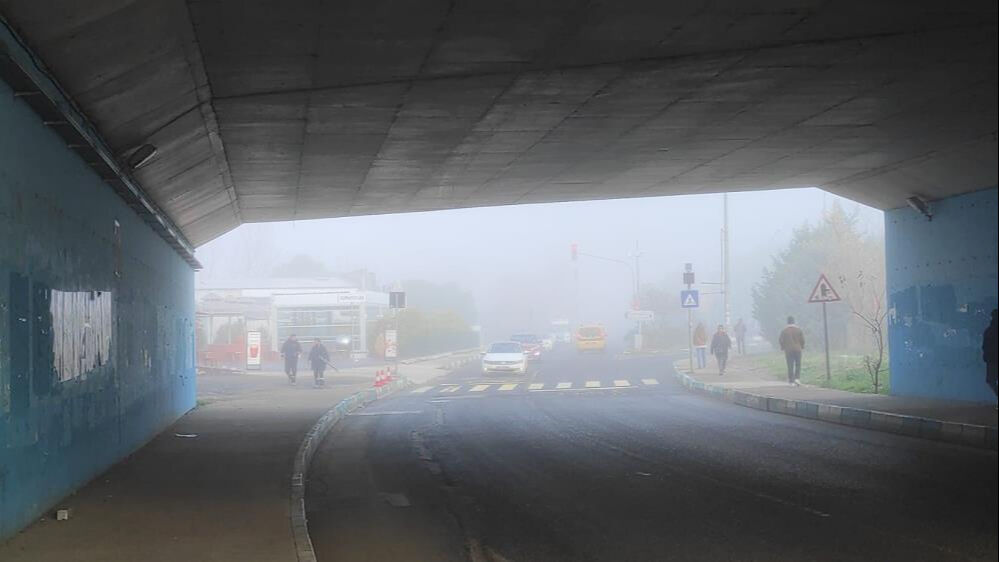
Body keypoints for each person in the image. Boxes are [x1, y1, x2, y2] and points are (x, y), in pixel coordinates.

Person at [778, 316, 805, 386]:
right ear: (794, 322)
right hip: (798, 349)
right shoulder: (799, 330)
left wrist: (782, 347)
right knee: (798, 364)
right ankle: (797, 379)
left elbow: (781, 340)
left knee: (790, 365)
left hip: (788, 350)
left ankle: (791, 381)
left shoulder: (784, 331)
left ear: (787, 322)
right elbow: (802, 340)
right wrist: (802, 346)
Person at [984, 309, 997, 400]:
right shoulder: (989, 330)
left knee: (991, 380)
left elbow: (985, 345)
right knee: (990, 380)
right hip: (992, 359)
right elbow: (985, 345)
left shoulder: (989, 330)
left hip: (992, 359)